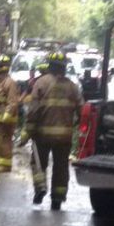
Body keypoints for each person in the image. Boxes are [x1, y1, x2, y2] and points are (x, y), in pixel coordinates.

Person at [26, 52, 83, 211]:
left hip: (42, 134)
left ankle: (40, 189)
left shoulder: (41, 83)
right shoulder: (73, 86)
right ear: (64, 67)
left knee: (38, 163)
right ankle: (57, 198)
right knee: (61, 167)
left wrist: (29, 129)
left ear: (50, 66)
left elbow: (33, 109)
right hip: (64, 136)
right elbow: (82, 109)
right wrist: (75, 124)